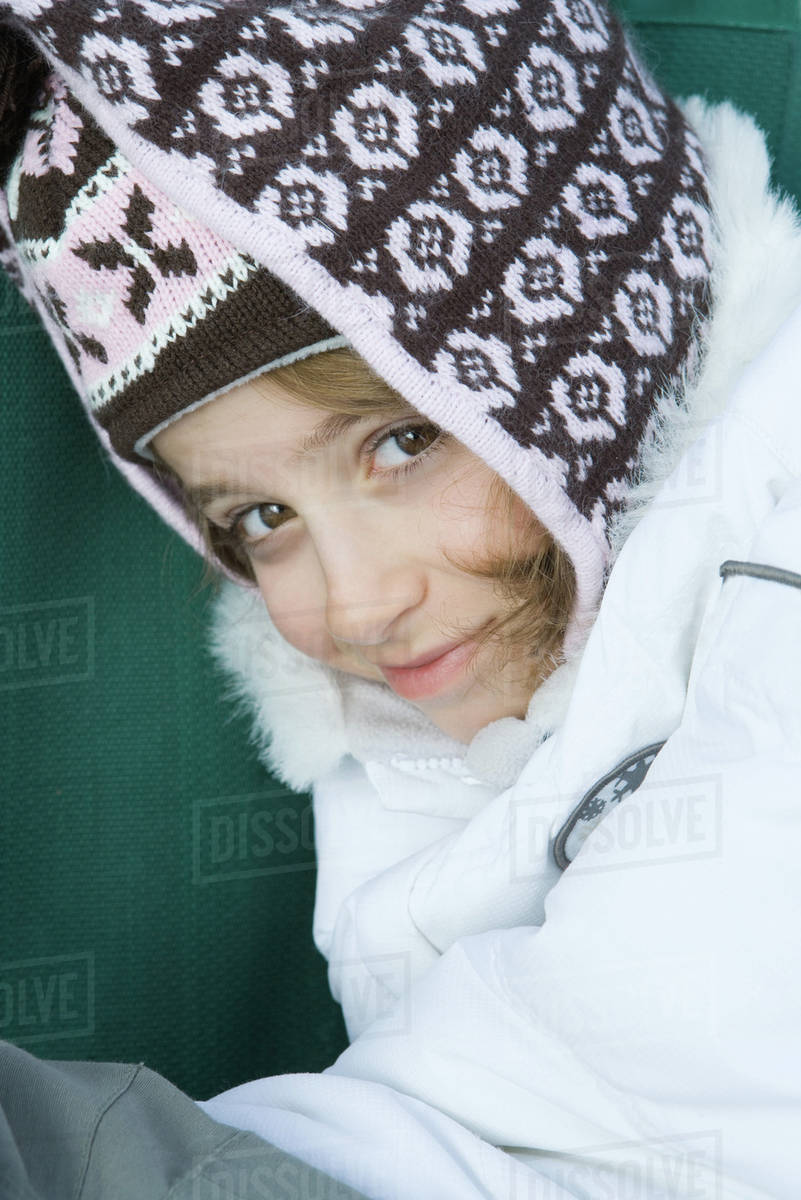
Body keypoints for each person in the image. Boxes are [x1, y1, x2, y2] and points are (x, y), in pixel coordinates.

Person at [1, 0, 801, 1196]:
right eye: (257, 520)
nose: (355, 606)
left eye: (401, 442)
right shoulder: (416, 710)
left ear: (588, 330)